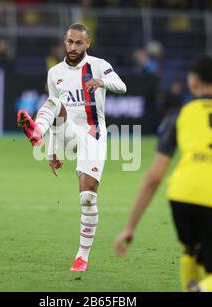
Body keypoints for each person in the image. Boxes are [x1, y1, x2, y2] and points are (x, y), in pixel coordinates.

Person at [115, 55, 212, 292]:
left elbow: (155, 176)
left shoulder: (181, 113)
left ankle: (192, 287)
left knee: (192, 251)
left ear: (192, 81)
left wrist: (130, 227)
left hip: (182, 196)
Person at [17, 23, 127, 272]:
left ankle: (82, 257)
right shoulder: (54, 72)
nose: (73, 46)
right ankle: (36, 131)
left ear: (88, 43)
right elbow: (56, 110)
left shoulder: (99, 65)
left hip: (93, 135)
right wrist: (53, 151)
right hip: (67, 132)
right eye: (69, 41)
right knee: (54, 101)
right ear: (64, 42)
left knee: (88, 198)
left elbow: (122, 86)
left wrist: (101, 82)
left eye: (79, 42)